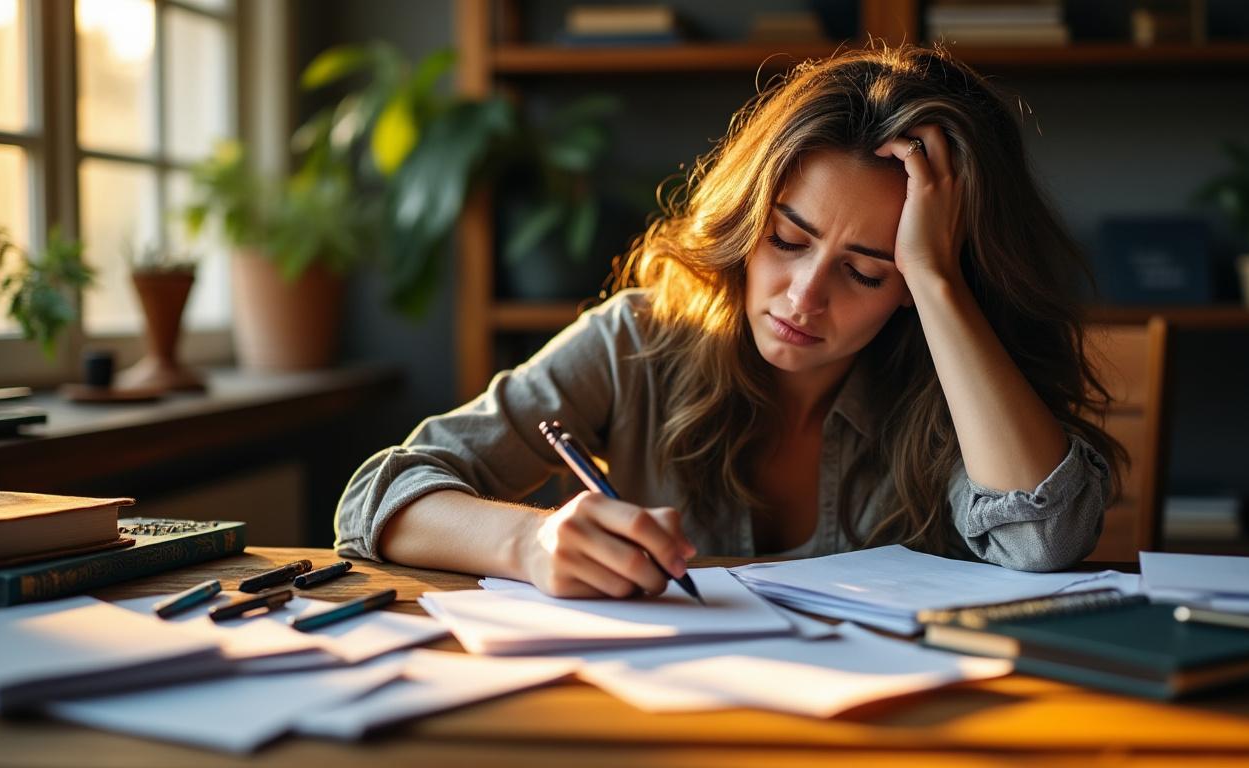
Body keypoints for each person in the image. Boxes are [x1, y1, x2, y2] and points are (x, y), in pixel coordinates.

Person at [334, 43, 1124, 599]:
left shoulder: (947, 381)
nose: (803, 298)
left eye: (867, 270)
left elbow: (1043, 541)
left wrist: (940, 281)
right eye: (786, 239)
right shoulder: (640, 338)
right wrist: (528, 543)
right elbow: (379, 495)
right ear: (748, 221)